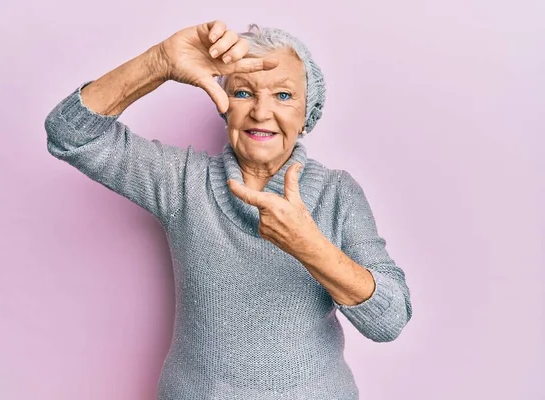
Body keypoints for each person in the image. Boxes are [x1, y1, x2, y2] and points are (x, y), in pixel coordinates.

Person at [44, 20, 412, 400]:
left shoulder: (338, 194)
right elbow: (69, 133)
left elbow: (390, 319)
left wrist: (309, 246)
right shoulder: (182, 182)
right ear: (224, 107)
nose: (261, 111)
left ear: (308, 115)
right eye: (243, 92)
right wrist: (158, 62)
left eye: (284, 96)